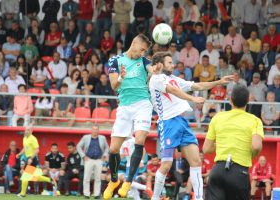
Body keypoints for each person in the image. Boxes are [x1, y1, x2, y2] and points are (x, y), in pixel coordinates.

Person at [148, 52, 233, 200]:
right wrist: (192, 98)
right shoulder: (156, 79)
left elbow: (197, 85)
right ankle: (155, 198)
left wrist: (218, 82)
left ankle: (199, 198)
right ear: (160, 64)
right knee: (166, 164)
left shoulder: (173, 78)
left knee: (196, 161)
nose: (172, 65)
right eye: (169, 62)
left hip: (182, 123)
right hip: (168, 123)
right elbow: (172, 90)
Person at [103, 34, 156, 199]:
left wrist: (156, 70)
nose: (142, 53)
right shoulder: (115, 61)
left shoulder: (144, 61)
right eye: (141, 49)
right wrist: (121, 77)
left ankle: (127, 181)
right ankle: (113, 181)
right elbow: (113, 85)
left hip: (143, 104)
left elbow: (151, 69)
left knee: (139, 141)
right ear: (134, 43)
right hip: (124, 106)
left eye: (145, 51)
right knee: (113, 150)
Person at [203, 84, 264, 200]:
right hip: (239, 172)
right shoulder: (255, 121)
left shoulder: (218, 117)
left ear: (230, 100)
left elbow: (206, 149)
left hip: (218, 170)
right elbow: (256, 147)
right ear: (247, 101)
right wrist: (253, 153)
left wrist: (224, 144)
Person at [17, 126, 57, 198]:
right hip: (28, 159)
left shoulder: (33, 139)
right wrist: (19, 154)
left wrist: (31, 158)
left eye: (28, 130)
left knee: (25, 177)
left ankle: (22, 194)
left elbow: (37, 150)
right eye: (26, 130)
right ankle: (50, 180)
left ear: (31, 131)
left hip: (33, 159)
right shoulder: (24, 138)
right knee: (35, 177)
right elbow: (25, 148)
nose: (26, 131)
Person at [77, 125, 109, 199]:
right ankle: (86, 194)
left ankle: (97, 194)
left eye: (96, 129)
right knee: (86, 177)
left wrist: (104, 154)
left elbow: (107, 148)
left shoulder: (102, 138)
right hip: (89, 159)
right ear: (91, 130)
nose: (95, 131)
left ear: (98, 130)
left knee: (98, 178)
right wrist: (83, 156)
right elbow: (78, 146)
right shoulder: (85, 137)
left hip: (99, 160)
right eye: (94, 129)